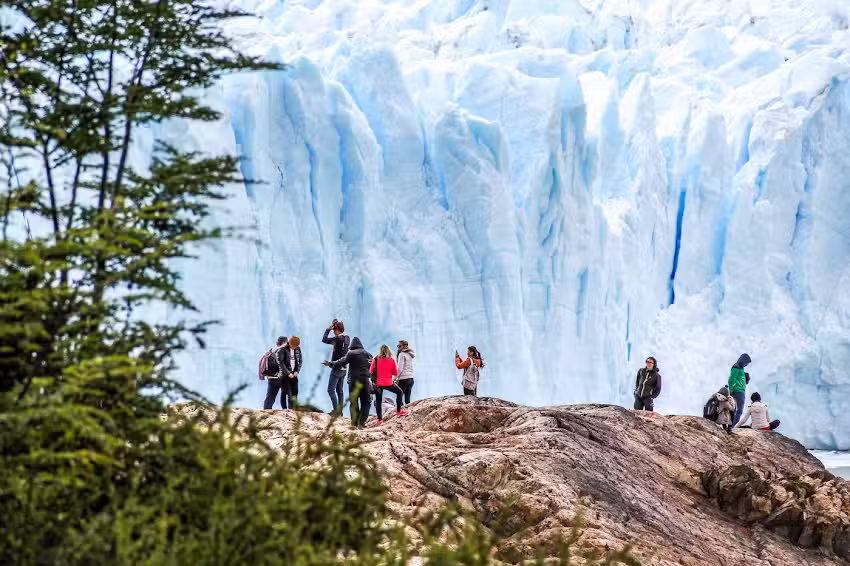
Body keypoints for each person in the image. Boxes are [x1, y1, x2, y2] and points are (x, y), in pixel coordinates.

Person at [324, 337, 372, 428]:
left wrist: (330, 363)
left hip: (353, 381)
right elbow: (372, 369)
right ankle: (362, 423)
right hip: (365, 381)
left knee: (354, 402)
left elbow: (342, 362)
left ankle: (354, 423)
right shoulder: (369, 355)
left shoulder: (351, 353)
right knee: (366, 401)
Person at [369, 344, 407, 425]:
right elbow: (395, 372)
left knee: (378, 401)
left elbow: (371, 371)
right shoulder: (391, 359)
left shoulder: (375, 359)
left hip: (378, 383)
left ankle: (380, 420)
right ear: (388, 351)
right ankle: (399, 411)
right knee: (399, 392)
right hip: (388, 383)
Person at [322, 320, 350, 414]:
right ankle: (340, 412)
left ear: (337, 329)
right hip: (344, 368)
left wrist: (328, 329)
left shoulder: (337, 339)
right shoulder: (347, 338)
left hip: (336, 368)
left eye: (334, 329)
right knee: (340, 391)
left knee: (330, 390)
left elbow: (324, 339)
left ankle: (335, 411)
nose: (333, 331)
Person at [263, 336, 288, 409]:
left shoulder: (271, 350)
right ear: (284, 342)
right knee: (288, 395)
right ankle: (287, 410)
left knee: (270, 398)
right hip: (280, 378)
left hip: (271, 377)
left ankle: (266, 411)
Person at [728, 353, 751, 426]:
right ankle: (733, 426)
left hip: (739, 390)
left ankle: (731, 424)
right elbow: (731, 380)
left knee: (734, 409)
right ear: (743, 360)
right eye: (746, 363)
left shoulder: (740, 367)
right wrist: (731, 390)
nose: (746, 365)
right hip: (738, 391)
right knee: (739, 410)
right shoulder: (736, 367)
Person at [280, 336, 302, 409]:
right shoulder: (283, 349)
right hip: (285, 375)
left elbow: (300, 361)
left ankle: (293, 409)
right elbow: (281, 363)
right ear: (289, 343)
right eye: (293, 346)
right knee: (286, 392)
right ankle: (285, 409)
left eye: (296, 346)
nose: (294, 348)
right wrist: (288, 373)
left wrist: (297, 371)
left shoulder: (298, 349)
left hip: (294, 374)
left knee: (295, 392)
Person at [396, 340, 415, 405]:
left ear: (404, 346)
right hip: (411, 378)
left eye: (399, 346)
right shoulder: (410, 354)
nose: (398, 347)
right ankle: (409, 410)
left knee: (399, 398)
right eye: (398, 346)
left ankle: (400, 411)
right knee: (407, 399)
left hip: (403, 379)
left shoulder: (401, 354)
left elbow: (400, 368)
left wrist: (396, 377)